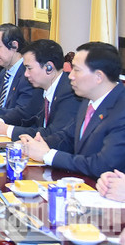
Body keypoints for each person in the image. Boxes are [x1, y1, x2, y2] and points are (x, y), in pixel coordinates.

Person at [20, 42, 125, 178]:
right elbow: (68, 136)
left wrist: (48, 155)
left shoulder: (121, 110)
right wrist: (37, 144)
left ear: (98, 76)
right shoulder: (88, 99)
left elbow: (102, 165)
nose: (70, 76)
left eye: (76, 70)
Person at [0, 39, 80, 153]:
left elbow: (53, 133)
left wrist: (7, 129)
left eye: (29, 68)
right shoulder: (40, 87)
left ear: (49, 67)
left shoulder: (70, 93)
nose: (26, 74)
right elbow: (27, 116)